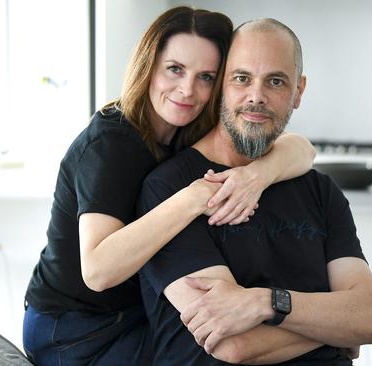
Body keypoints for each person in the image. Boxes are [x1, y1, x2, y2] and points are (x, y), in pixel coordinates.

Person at [22, 7, 317, 366]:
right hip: (72, 329)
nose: (187, 90)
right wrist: (195, 197)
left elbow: (303, 149)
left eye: (206, 76)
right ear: (149, 66)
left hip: (130, 313)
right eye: (175, 69)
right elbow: (98, 271)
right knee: (209, 352)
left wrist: (257, 175)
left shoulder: (180, 131)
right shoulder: (110, 144)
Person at [137, 18, 372, 365]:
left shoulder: (320, 191)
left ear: (298, 92)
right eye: (242, 78)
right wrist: (333, 331)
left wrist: (263, 302)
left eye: (276, 81)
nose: (256, 96)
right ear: (222, 83)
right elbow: (235, 345)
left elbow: (368, 318)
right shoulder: (170, 191)